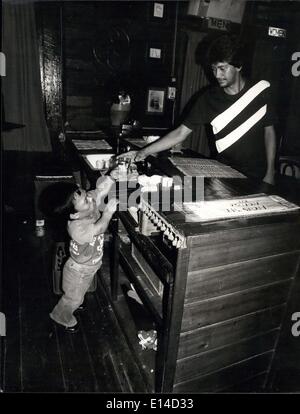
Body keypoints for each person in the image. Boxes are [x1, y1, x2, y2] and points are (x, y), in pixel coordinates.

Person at [122, 34, 277, 184]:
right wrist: (143, 152)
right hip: (226, 172)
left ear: (238, 66)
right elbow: (180, 133)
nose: (217, 74)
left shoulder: (261, 90)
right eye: (214, 68)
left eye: (222, 68)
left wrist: (270, 172)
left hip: (258, 174)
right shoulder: (207, 99)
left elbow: (269, 131)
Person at [50, 175, 118, 333]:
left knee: (79, 292)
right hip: (79, 270)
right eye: (86, 200)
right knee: (73, 297)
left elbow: (100, 191)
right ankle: (61, 316)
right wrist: (107, 213)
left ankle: (75, 301)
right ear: (74, 215)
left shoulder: (87, 203)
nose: (89, 197)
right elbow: (99, 229)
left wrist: (112, 177)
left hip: (88, 265)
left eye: (84, 193)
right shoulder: (76, 228)